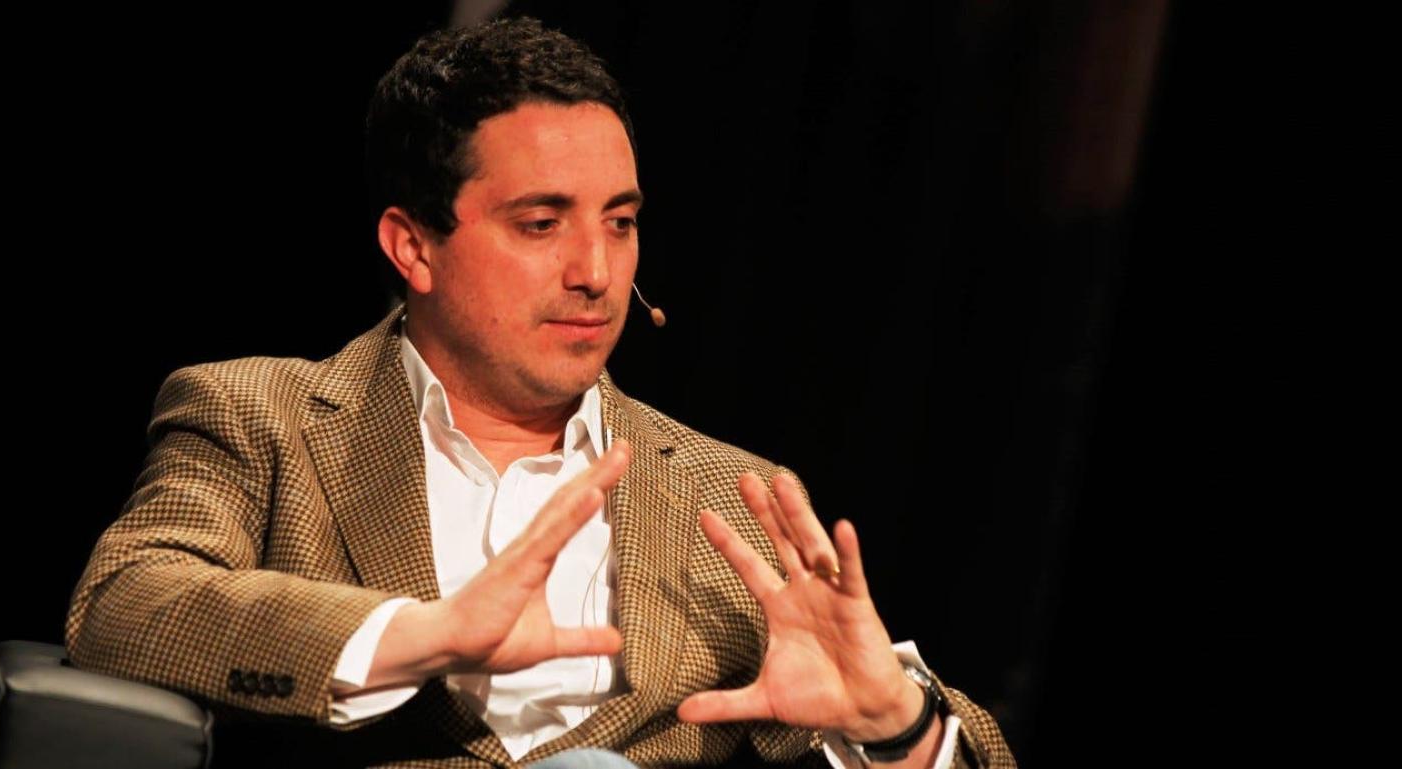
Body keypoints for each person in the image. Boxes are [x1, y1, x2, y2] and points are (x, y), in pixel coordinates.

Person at [64, 16, 1014, 769]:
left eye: (620, 222)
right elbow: (125, 604)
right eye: (540, 223)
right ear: (413, 246)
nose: (596, 272)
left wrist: (895, 725)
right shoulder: (260, 417)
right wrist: (424, 635)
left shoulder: (736, 499)